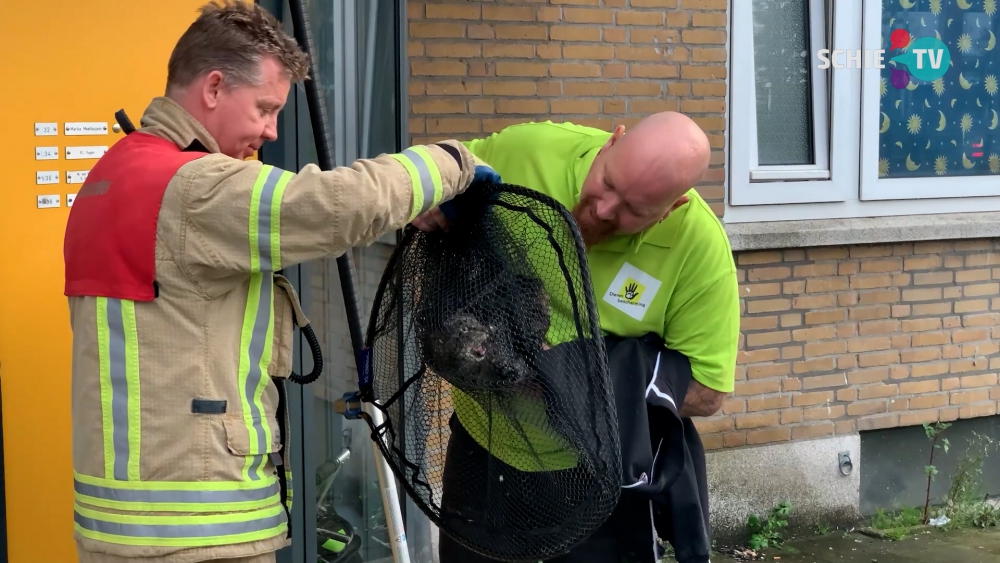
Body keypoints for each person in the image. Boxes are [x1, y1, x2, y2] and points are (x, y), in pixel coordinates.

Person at [62, 2, 496, 562]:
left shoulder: (114, 177)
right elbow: (333, 205)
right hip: (199, 529)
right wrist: (451, 162)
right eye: (265, 109)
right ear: (214, 87)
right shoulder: (193, 188)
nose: (270, 131)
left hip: (126, 524)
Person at [413, 113, 740, 563]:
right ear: (612, 142)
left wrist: (570, 378)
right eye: (607, 182)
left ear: (671, 209)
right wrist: (428, 191)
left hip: (600, 477)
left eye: (633, 210)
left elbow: (707, 391)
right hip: (482, 448)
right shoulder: (532, 151)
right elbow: (443, 163)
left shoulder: (698, 249)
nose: (605, 209)